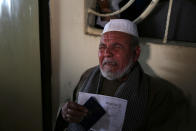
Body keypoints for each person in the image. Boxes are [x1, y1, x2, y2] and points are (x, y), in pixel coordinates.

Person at [54, 19, 189, 131]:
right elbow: (68, 117)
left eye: (117, 47)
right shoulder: (87, 76)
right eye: (102, 47)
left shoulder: (158, 94)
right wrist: (66, 113)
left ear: (135, 54)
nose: (107, 53)